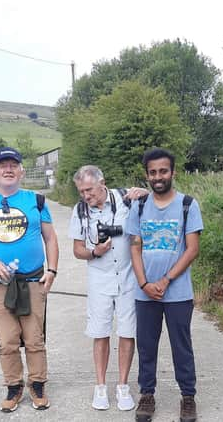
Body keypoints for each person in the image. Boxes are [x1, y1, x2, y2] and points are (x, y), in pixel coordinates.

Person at [0, 147, 59, 413]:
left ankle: (38, 384)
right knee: (7, 340)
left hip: (32, 280)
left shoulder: (36, 200)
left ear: (21, 171)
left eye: (13, 165)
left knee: (34, 338)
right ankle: (14, 386)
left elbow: (50, 238)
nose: (8, 169)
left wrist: (51, 271)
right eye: (3, 165)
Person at [126, 148, 203, 422]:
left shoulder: (187, 205)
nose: (158, 177)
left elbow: (192, 249)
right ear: (147, 175)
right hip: (145, 293)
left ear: (173, 172)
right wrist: (145, 283)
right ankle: (147, 394)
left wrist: (165, 280)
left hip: (178, 292)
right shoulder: (138, 206)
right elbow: (135, 248)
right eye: (153, 172)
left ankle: (188, 397)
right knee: (146, 346)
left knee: (181, 346)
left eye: (163, 171)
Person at [68, 165, 148, 412]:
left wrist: (142, 192)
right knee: (100, 332)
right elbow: (77, 250)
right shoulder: (80, 211)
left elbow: (155, 201)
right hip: (100, 279)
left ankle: (123, 385)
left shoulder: (125, 199)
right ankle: (100, 386)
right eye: (81, 191)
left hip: (127, 278)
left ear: (102, 183)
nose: (86, 196)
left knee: (127, 332)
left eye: (89, 190)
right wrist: (95, 251)